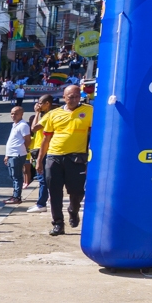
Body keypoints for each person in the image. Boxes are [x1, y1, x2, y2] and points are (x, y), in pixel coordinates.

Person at [35, 83, 92, 235]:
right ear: (64, 98)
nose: (73, 99)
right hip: (54, 157)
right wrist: (40, 160)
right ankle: (58, 223)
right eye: (70, 97)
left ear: (80, 97)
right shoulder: (54, 114)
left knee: (77, 192)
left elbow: (95, 137)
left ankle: (73, 209)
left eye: (76, 97)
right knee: (54, 192)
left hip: (76, 158)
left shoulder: (89, 112)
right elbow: (45, 139)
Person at [3, 106, 30, 204]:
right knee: (13, 176)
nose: (13, 116)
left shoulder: (23, 125)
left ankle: (17, 197)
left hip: (17, 155)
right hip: (11, 154)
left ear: (21, 114)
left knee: (17, 176)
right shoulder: (15, 125)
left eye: (15, 113)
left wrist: (21, 150)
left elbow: (27, 140)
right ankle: (15, 195)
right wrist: (7, 155)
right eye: (12, 113)